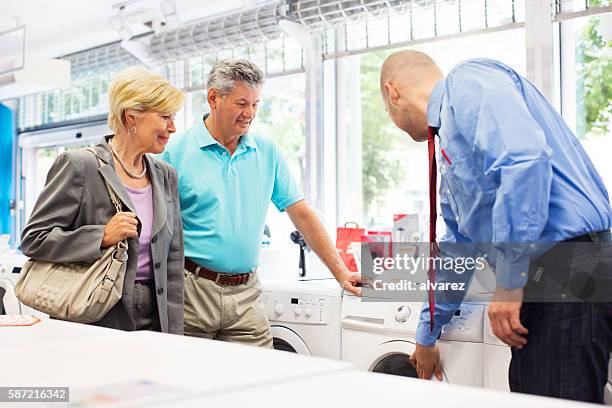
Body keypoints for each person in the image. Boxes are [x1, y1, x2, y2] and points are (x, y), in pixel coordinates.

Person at [379, 51, 612, 403]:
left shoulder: (466, 81)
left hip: (569, 268)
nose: (393, 119)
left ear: (392, 92)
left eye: (386, 111)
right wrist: (427, 335)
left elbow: (524, 161)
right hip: (545, 278)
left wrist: (507, 283)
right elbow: (457, 252)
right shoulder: (452, 160)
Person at [161, 59, 362, 347]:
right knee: (193, 381)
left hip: (246, 293)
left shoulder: (266, 152)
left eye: (255, 104)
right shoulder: (174, 152)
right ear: (213, 98)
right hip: (192, 291)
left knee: (259, 378)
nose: (249, 114)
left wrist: (341, 272)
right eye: (242, 103)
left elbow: (302, 215)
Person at [21, 66, 186, 333]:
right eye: (165, 116)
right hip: (96, 312)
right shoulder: (80, 165)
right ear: (131, 116)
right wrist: (101, 236)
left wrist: (175, 332)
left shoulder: (165, 175)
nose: (173, 127)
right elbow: (34, 239)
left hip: (157, 316)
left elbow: (173, 261)